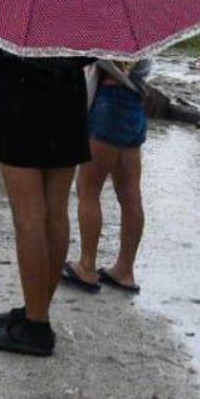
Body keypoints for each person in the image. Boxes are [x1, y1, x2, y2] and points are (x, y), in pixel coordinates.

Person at [0, 36, 91, 357]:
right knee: (55, 211)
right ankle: (38, 308)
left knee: (29, 216)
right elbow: (89, 51)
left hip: (21, 97)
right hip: (69, 96)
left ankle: (36, 326)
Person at [64, 59, 150, 296]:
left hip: (108, 102)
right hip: (135, 103)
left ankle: (86, 265)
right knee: (131, 194)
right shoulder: (144, 34)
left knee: (88, 189)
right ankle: (125, 269)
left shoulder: (111, 29)